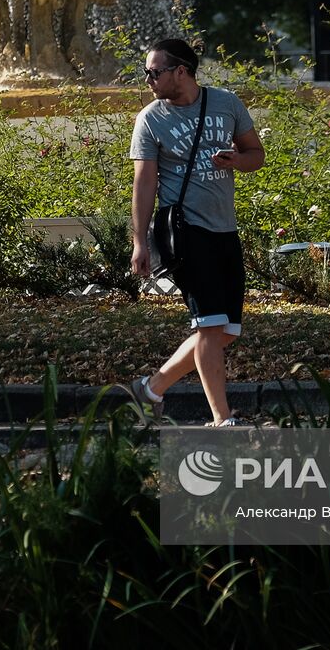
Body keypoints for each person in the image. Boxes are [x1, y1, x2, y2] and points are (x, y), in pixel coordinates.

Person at [127, 38, 265, 426]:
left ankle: (151, 388)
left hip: (225, 228)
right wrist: (140, 242)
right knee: (209, 325)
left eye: (154, 72)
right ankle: (223, 419)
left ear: (180, 72)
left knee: (226, 331)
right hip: (186, 232)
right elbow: (144, 184)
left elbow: (257, 154)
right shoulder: (151, 119)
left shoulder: (226, 103)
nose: (148, 79)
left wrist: (237, 161)